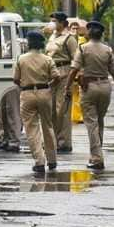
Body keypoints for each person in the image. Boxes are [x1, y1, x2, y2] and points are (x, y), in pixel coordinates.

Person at [65, 21, 114, 170]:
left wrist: (67, 87)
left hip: (89, 88)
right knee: (99, 121)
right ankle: (96, 153)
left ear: (89, 33)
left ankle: (97, 158)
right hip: (105, 87)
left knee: (91, 123)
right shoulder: (108, 50)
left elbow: (74, 70)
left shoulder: (83, 48)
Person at [15, 31, 60, 173]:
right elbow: (57, 77)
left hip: (27, 93)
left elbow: (15, 79)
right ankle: (52, 160)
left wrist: (24, 85)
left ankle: (39, 161)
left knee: (31, 128)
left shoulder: (21, 59)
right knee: (48, 126)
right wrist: (48, 86)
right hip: (44, 92)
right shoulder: (47, 59)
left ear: (29, 43)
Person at [46, 11, 78, 153]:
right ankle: (54, 141)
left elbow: (76, 60)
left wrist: (74, 79)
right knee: (52, 109)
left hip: (64, 74)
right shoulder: (52, 37)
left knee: (62, 110)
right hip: (51, 75)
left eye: (55, 21)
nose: (52, 23)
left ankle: (64, 142)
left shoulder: (69, 38)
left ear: (62, 23)